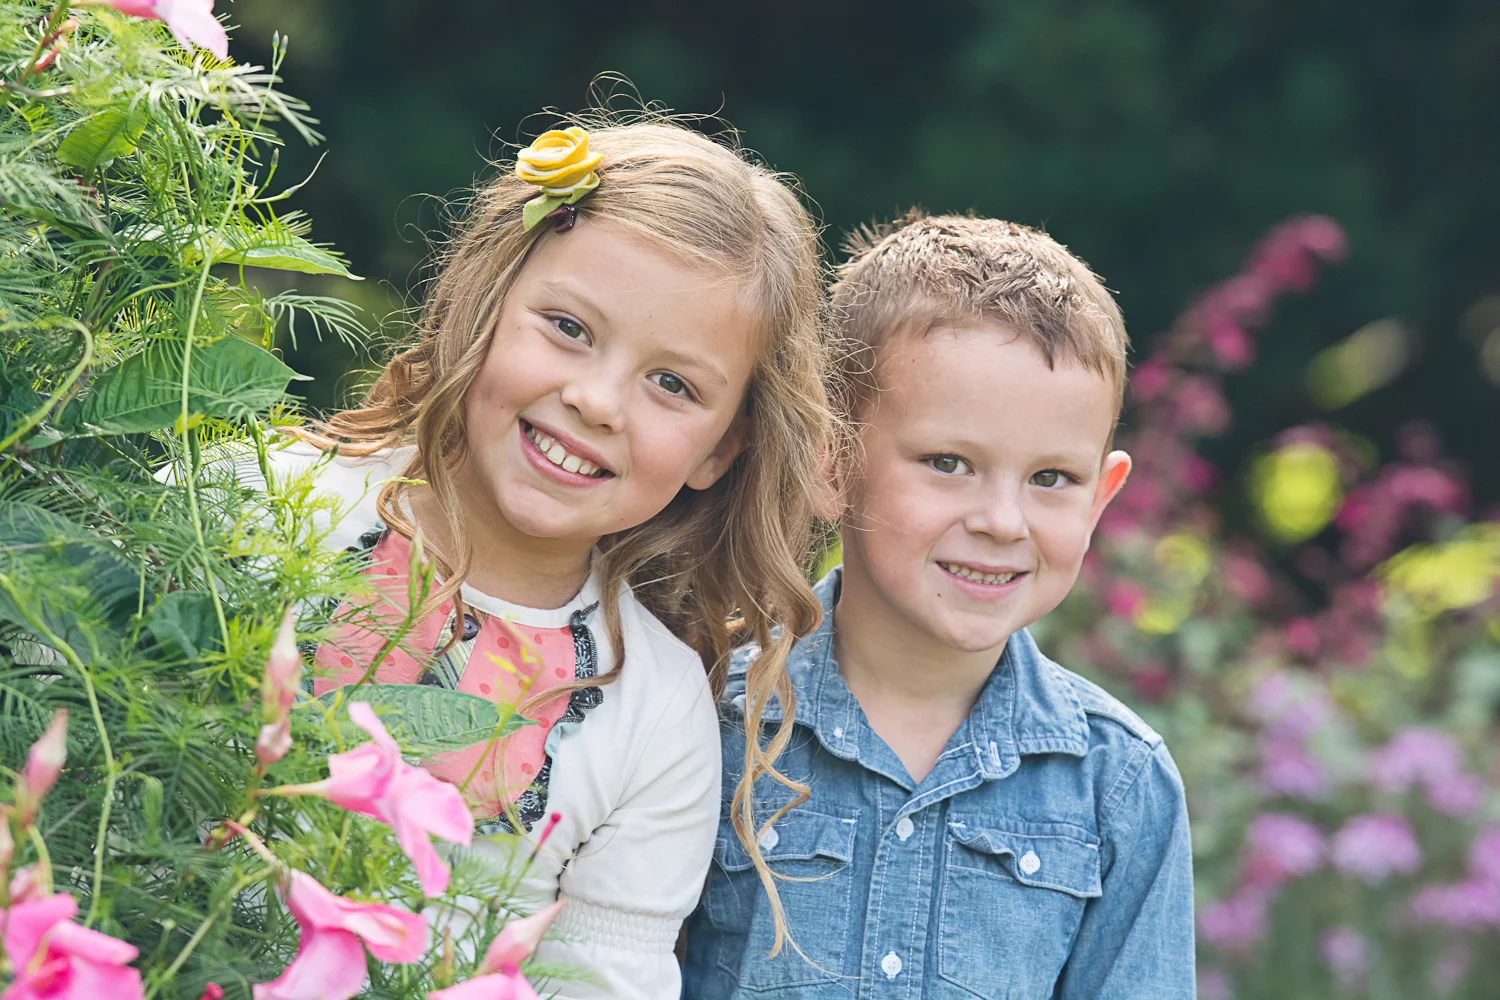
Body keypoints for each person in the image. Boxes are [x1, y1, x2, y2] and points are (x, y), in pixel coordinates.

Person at [248, 114, 833, 999]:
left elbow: (601, 979)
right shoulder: (260, 499)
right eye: (567, 326)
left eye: (672, 384)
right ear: (486, 301)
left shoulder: (659, 713)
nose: (596, 401)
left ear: (721, 451)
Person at [682, 213, 1196, 998]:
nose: (1001, 520)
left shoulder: (1119, 786)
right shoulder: (705, 721)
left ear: (1103, 497)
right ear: (830, 462)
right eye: (949, 463)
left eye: (1051, 479)